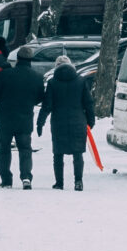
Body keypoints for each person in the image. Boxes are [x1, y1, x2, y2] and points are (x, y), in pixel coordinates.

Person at [0, 45, 46, 188]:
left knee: (4, 149)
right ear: (31, 59)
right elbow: (40, 98)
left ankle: (6, 180)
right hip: (25, 118)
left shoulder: (6, 74)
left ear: (18, 58)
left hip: (5, 118)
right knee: (25, 149)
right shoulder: (37, 77)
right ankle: (26, 176)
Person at [38, 53, 92, 190]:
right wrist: (91, 121)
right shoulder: (80, 81)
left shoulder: (52, 83)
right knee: (78, 153)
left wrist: (40, 122)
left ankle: (59, 183)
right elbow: (88, 103)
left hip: (58, 122)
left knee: (58, 154)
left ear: (56, 67)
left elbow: (47, 106)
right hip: (78, 121)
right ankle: (78, 182)